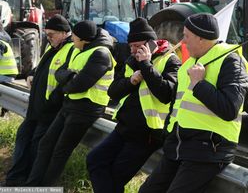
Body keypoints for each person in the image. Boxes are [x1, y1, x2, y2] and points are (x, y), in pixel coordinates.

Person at [139, 13, 248, 193]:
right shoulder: (188, 65)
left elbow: (229, 109)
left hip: (208, 151)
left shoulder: (231, 61)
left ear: (201, 38)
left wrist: (199, 84)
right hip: (180, 146)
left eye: (186, 36)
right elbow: (176, 106)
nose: (183, 42)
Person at [87, 17, 181, 193]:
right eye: (131, 46)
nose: (133, 50)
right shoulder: (132, 61)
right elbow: (113, 92)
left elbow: (166, 94)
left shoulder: (171, 60)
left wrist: (146, 65)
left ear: (151, 43)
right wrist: (131, 81)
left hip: (148, 134)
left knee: (115, 176)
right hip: (124, 127)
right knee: (94, 159)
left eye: (137, 46)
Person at [25, 20, 115, 186]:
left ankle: (46, 187)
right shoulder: (78, 49)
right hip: (70, 105)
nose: (71, 38)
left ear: (83, 39)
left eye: (74, 36)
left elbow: (78, 85)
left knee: (60, 151)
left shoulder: (101, 54)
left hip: (86, 109)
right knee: (46, 143)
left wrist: (69, 79)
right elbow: (60, 73)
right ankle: (32, 185)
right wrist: (70, 77)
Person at [5, 14, 73, 186]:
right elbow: (41, 67)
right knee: (23, 137)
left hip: (49, 110)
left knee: (37, 145)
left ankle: (29, 181)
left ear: (64, 33)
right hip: (36, 108)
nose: (48, 38)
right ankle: (15, 179)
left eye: (51, 34)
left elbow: (67, 80)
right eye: (47, 34)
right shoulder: (52, 48)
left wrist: (51, 104)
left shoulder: (71, 50)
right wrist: (31, 74)